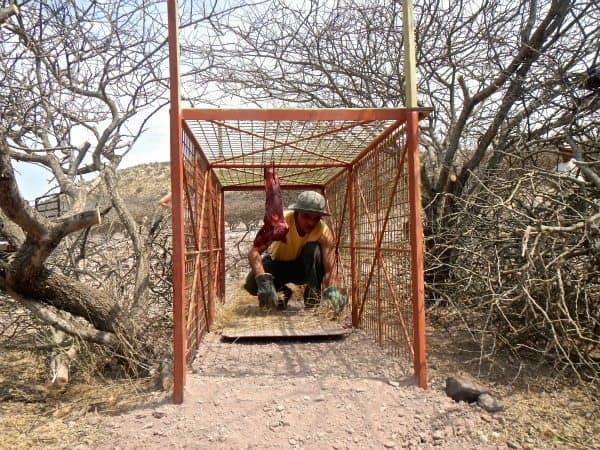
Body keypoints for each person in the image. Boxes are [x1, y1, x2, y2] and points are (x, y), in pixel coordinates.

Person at [244, 191, 337, 309]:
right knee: (251, 284)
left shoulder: (323, 231)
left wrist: (334, 292)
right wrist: (264, 282)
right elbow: (254, 250)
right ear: (296, 213)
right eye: (306, 216)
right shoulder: (280, 222)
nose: (311, 222)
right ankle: (282, 293)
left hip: (303, 269)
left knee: (314, 250)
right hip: (278, 265)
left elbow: (330, 269)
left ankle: (312, 299)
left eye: (316, 218)